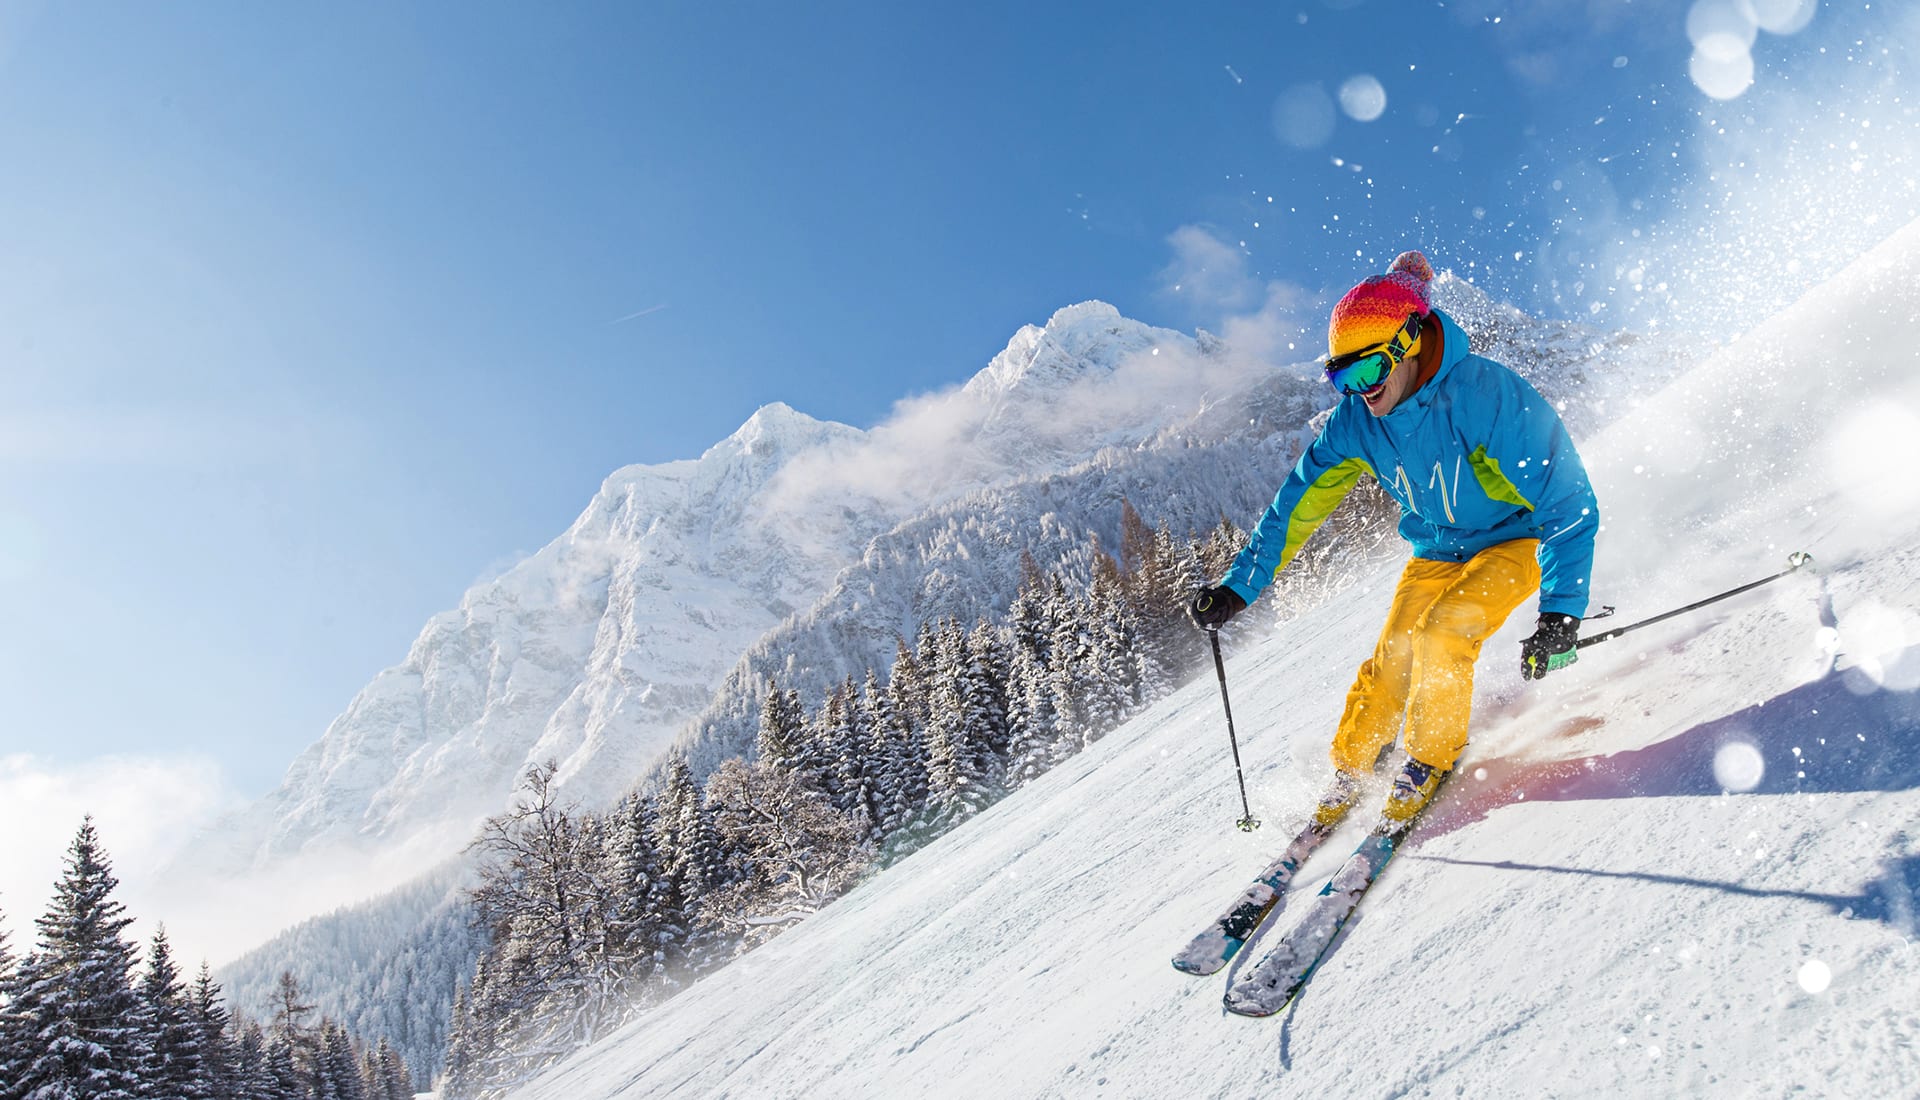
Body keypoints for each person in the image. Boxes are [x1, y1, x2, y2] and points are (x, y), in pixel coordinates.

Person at [1189, 250, 1597, 834]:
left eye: (1366, 373)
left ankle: (1428, 758)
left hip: (1515, 540)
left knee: (1443, 631)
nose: (1359, 392)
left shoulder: (1483, 395)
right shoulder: (1356, 422)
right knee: (1393, 660)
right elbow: (1297, 506)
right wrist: (1237, 588)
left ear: (1408, 344)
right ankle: (1353, 767)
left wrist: (1559, 613)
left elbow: (1567, 498)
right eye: (1341, 378)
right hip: (1436, 549)